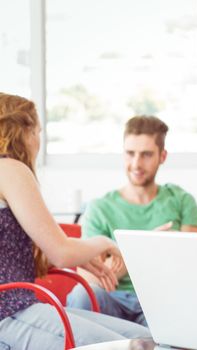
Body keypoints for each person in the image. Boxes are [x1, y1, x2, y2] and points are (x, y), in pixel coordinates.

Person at [0, 92, 150, 348]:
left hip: (19, 309)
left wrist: (82, 255)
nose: (38, 142)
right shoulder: (9, 169)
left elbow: (10, 258)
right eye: (38, 132)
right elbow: (62, 253)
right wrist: (103, 242)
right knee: (137, 347)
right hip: (10, 313)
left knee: (149, 340)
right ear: (24, 131)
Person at [67, 115, 197, 325]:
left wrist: (115, 258)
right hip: (112, 300)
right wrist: (149, 247)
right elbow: (92, 279)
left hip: (164, 302)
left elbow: (190, 266)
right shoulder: (100, 208)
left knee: (186, 309)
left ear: (163, 156)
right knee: (81, 295)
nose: (136, 163)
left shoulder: (181, 200)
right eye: (130, 153)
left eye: (146, 155)